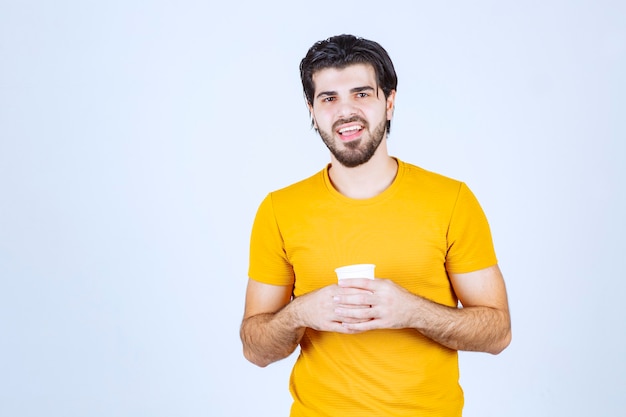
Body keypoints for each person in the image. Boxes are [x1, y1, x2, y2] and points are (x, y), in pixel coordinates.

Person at [240, 34, 511, 416]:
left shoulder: (451, 200)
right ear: (312, 111)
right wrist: (301, 312)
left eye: (362, 94)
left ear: (390, 102)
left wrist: (412, 312)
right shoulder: (279, 210)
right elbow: (256, 349)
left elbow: (498, 333)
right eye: (329, 98)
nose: (345, 111)